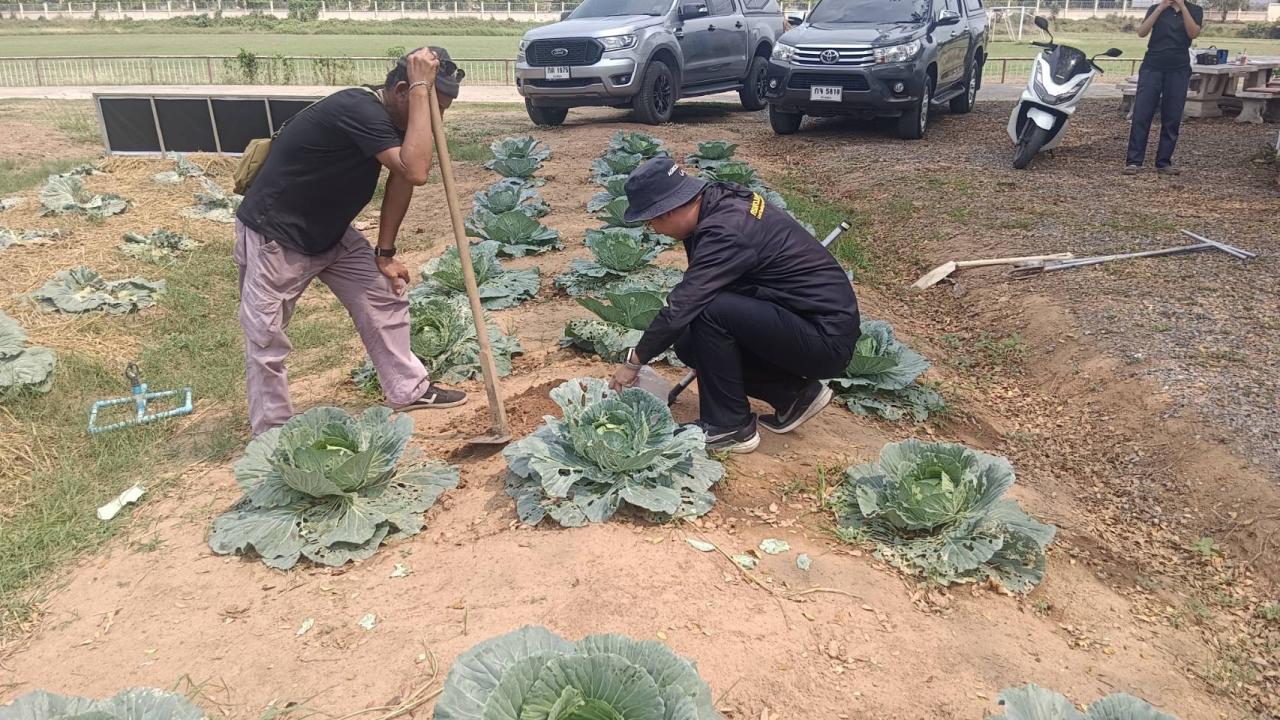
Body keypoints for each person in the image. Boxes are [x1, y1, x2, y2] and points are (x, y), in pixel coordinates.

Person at [234, 47, 468, 436]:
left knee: (384, 294)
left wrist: (386, 253)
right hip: (277, 234)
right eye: (431, 107)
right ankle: (271, 431)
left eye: (440, 111)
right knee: (266, 337)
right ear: (400, 91)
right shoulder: (358, 109)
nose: (436, 121)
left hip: (331, 231)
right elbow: (417, 169)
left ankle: (408, 388)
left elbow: (403, 181)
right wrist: (422, 88)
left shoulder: (400, 120)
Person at [608, 157, 861, 454]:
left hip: (823, 337)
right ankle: (793, 396)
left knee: (708, 308)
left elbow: (685, 302)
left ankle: (729, 425)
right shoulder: (716, 201)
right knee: (690, 344)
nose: (653, 228)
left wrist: (634, 362)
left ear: (671, 209)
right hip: (799, 321)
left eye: (651, 221)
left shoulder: (727, 231)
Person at [1124, 0, 1202, 176]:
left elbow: (1193, 33)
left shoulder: (1195, 10)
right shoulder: (1155, 8)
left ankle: (1163, 162)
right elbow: (1142, 32)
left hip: (1178, 68)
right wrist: (1160, 8)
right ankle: (1134, 161)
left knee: (1172, 116)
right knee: (1142, 114)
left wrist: (1182, 7)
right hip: (1153, 66)